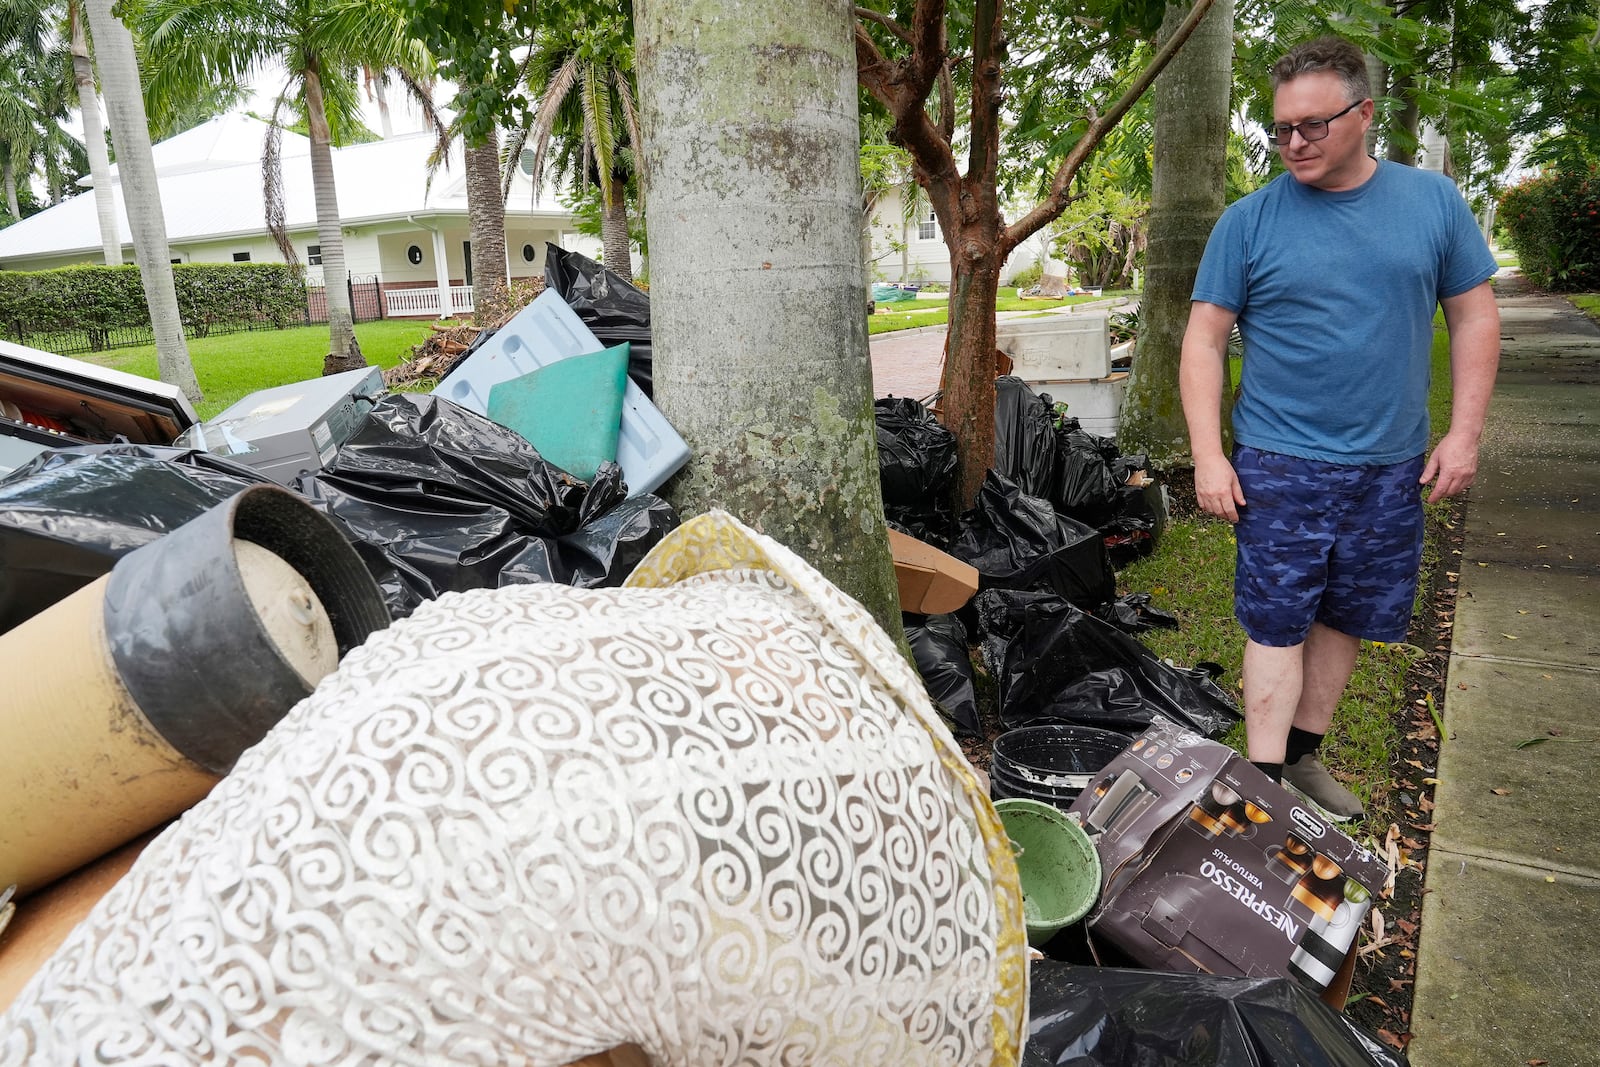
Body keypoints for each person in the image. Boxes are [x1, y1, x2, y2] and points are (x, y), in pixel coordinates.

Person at [1179, 35, 1500, 821]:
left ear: (1365, 113)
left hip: (1391, 468)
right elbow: (1203, 339)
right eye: (1280, 129)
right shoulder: (1248, 222)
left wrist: (1464, 434)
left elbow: (1474, 317)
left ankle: (1300, 757)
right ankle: (1259, 789)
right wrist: (1209, 456)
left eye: (1312, 127)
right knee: (1277, 620)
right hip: (1281, 464)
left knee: (1350, 614)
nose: (1292, 144)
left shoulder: (1432, 204)